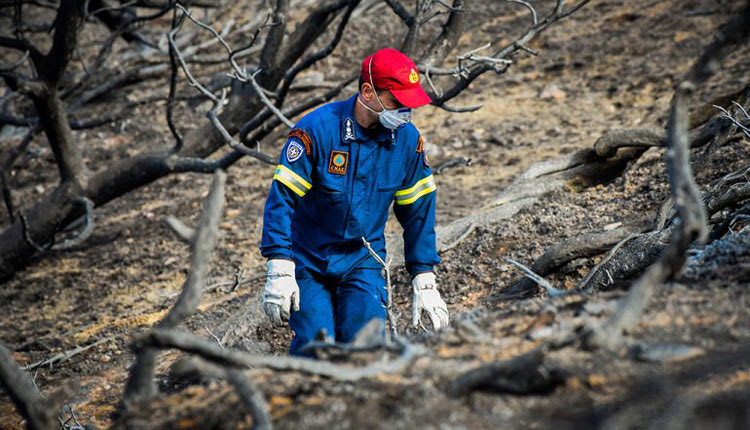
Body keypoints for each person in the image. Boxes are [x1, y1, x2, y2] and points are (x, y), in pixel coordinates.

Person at [259, 47, 449, 356]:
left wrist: (424, 276)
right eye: (396, 102)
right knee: (316, 346)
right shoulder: (315, 132)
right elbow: (281, 200)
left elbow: (418, 210)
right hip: (307, 259)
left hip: (363, 260)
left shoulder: (407, 141)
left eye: (409, 105)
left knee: (367, 347)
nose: (405, 112)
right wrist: (279, 266)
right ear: (368, 92)